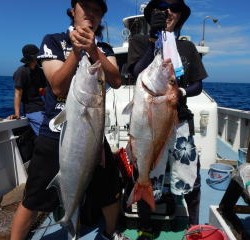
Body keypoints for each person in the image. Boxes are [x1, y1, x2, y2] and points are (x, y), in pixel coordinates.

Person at [10, 1, 130, 240]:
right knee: (33, 199)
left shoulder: (103, 48)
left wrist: (93, 50)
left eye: (98, 12)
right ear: (73, 11)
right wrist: (77, 52)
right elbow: (56, 86)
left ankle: (109, 233)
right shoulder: (53, 41)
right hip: (54, 134)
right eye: (87, 8)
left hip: (92, 134)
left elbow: (116, 80)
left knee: (110, 192)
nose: (92, 15)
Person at [126, 0, 208, 239]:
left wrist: (181, 91)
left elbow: (197, 84)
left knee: (190, 175)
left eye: (174, 7)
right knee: (146, 172)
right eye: (161, 7)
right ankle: (145, 226)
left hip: (180, 120)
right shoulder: (140, 42)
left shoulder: (187, 47)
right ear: (152, 14)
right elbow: (134, 73)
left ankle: (194, 226)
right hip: (148, 119)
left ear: (181, 16)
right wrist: (153, 38)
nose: (168, 11)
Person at [7, 44, 46, 136]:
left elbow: (42, 90)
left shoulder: (40, 71)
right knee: (44, 133)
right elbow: (18, 94)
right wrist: (17, 114)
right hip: (32, 109)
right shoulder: (21, 72)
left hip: (44, 106)